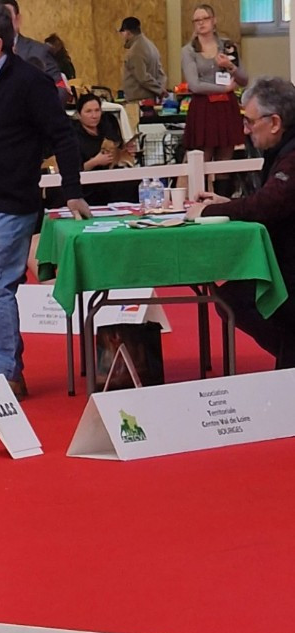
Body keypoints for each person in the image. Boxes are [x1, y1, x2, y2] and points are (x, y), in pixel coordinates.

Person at [0, 3, 90, 400]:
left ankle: (3, 373)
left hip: (12, 205)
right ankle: (8, 365)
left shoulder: (31, 83)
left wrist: (72, 189)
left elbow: (64, 137)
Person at [196, 77, 295, 369]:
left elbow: (269, 204)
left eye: (250, 122)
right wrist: (222, 203)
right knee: (231, 297)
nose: (245, 129)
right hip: (285, 263)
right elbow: (268, 198)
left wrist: (210, 211)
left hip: (290, 272)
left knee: (234, 300)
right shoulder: (282, 151)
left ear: (274, 122)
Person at [181, 5, 247, 172]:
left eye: (205, 19)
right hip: (204, 108)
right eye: (197, 20)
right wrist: (223, 89)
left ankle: (222, 196)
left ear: (214, 20)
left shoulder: (228, 46)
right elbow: (194, 85)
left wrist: (230, 65)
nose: (201, 23)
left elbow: (244, 79)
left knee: (225, 162)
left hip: (226, 107)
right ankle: (200, 195)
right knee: (202, 159)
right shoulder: (189, 51)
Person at [74, 91, 140, 205]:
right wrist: (95, 162)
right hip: (88, 185)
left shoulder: (108, 127)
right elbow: (73, 170)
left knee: (135, 183)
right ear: (79, 115)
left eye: (97, 110)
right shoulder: (73, 136)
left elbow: (118, 152)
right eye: (88, 111)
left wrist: (126, 152)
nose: (94, 116)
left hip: (111, 177)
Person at [3, 2, 63, 89]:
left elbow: (60, 88)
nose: (1, 23)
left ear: (18, 20)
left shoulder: (39, 52)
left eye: (6, 18)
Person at [118, 17, 167, 105]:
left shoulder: (135, 51)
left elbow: (142, 77)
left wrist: (160, 91)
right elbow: (161, 73)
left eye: (122, 33)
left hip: (139, 102)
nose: (122, 36)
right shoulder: (151, 45)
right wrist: (160, 88)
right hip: (152, 100)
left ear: (128, 33)